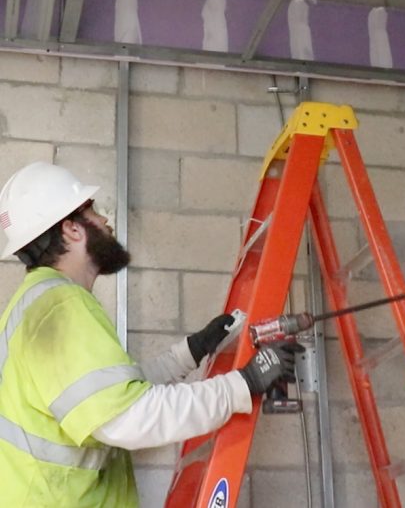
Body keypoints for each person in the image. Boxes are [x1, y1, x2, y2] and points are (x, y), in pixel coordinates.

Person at [0, 161, 304, 507]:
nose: (104, 221)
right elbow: (129, 418)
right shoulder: (61, 306)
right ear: (71, 230)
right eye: (94, 212)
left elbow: (107, 396)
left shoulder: (35, 304)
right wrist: (243, 383)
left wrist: (189, 352)